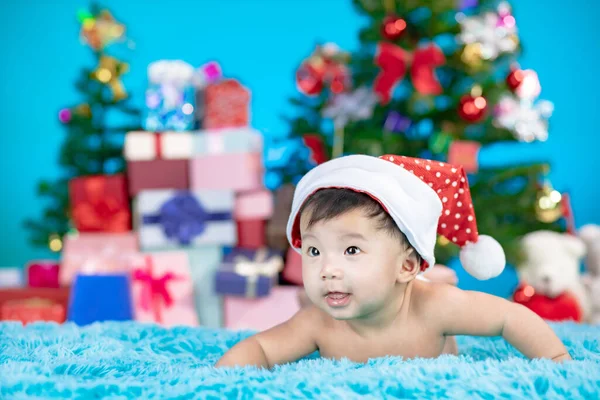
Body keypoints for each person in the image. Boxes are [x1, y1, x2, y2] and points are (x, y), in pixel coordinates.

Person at [216, 154, 571, 368]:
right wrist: (222, 378)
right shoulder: (317, 322)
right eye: (313, 251)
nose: (327, 270)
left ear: (406, 266)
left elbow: (510, 316)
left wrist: (557, 364)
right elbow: (261, 348)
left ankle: (437, 275)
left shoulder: (436, 308)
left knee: (440, 286)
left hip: (422, 290)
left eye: (351, 250)